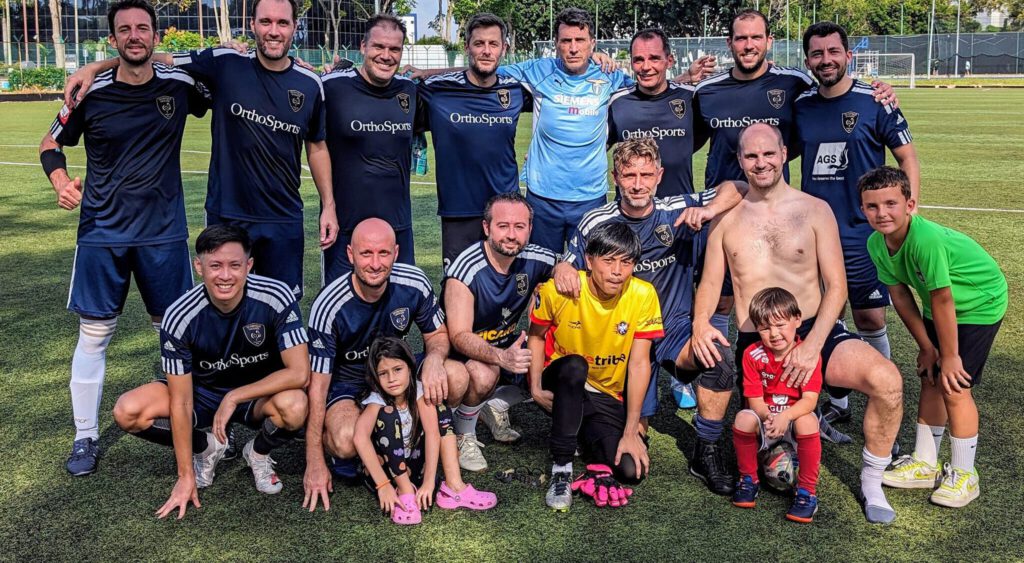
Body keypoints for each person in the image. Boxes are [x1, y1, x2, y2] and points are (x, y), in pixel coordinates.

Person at [691, 123, 903, 524]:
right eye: (751, 156)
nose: (761, 163)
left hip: (813, 331)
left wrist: (811, 346)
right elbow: (710, 282)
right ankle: (740, 444)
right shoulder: (727, 218)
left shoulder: (814, 209)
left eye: (769, 154)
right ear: (740, 161)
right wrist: (701, 321)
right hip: (758, 339)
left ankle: (872, 481)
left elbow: (837, 287)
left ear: (784, 153)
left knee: (888, 381)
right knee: (775, 458)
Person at [64, 0, 338, 300]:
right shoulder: (224, 62)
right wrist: (96, 66)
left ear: (294, 28)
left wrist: (329, 206)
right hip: (226, 213)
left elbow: (317, 145)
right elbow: (150, 56)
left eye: (282, 23)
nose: (273, 31)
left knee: (283, 307)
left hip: (283, 217)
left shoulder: (310, 84)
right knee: (224, 305)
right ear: (252, 26)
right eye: (265, 22)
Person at [39, 0, 210, 476]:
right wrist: (61, 183)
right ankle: (85, 438)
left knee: (172, 333)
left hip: (163, 234)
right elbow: (49, 144)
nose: (135, 36)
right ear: (112, 39)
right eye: (124, 30)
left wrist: (98, 62)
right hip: (102, 233)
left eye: (143, 29)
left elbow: (217, 77)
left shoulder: (180, 86)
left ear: (156, 35)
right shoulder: (90, 92)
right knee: (94, 334)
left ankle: (195, 424)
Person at [553, 138, 744, 496]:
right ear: (615, 177)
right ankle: (609, 430)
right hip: (621, 340)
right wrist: (561, 266)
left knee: (718, 361)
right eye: (628, 175)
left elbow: (740, 186)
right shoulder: (598, 220)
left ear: (659, 176)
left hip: (671, 329)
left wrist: (708, 210)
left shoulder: (677, 209)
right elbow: (568, 262)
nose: (637, 183)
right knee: (628, 462)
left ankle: (707, 449)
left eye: (645, 174)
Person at [112, 225, 310, 519]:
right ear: (199, 267)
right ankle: (206, 448)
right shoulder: (179, 315)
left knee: (295, 405)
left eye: (235, 265)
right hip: (201, 396)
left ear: (249, 266)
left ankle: (257, 452)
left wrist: (234, 396)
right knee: (128, 411)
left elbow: (299, 373)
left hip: (257, 396)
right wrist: (185, 475)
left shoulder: (276, 296)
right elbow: (180, 401)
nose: (226, 275)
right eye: (215, 265)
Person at [795, 22, 921, 433]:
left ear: (848, 56)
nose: (825, 60)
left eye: (833, 51)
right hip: (815, 236)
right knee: (822, 320)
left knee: (869, 320)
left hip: (864, 236)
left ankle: (879, 399)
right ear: (808, 60)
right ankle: (839, 404)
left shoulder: (874, 100)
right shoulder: (801, 104)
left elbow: (907, 157)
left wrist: (909, 211)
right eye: (817, 53)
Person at [860, 166, 1007, 508]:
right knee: (930, 376)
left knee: (954, 384)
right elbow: (900, 295)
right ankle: (925, 464)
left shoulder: (924, 240)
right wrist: (927, 348)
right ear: (863, 209)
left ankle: (965, 475)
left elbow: (944, 298)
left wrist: (950, 356)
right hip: (937, 301)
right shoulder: (875, 243)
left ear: (910, 204)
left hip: (978, 302)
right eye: (872, 206)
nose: (882, 213)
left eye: (891, 204)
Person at [303, 218, 464, 512]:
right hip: (351, 385)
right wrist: (313, 459)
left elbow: (438, 335)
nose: (375, 264)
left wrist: (435, 360)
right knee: (344, 440)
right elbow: (318, 384)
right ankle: (380, 451)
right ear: (350, 254)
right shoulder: (329, 305)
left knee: (455, 375)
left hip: (398, 372)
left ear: (396, 252)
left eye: (383, 253)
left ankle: (441, 445)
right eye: (366, 254)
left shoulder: (413, 282)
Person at [529, 222, 663, 511]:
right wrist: (536, 389)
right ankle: (562, 467)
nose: (617, 271)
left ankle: (589, 453)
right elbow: (535, 337)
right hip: (562, 377)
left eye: (626, 262)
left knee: (629, 470)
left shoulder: (644, 294)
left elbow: (640, 364)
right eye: (609, 260)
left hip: (604, 393)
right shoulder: (560, 289)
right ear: (589, 260)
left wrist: (631, 430)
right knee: (576, 367)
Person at [444, 192, 556, 472]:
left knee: (558, 363)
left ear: (530, 228)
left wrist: (564, 270)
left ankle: (494, 405)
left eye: (519, 227)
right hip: (462, 357)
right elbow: (458, 335)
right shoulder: (465, 270)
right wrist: (501, 357)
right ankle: (464, 434)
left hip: (509, 348)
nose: (511, 235)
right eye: (503, 226)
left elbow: (566, 266)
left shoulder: (535, 257)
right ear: (487, 228)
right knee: (485, 373)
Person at [417, 13, 532, 269]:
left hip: (506, 210)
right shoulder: (437, 89)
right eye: (479, 43)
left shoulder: (516, 90)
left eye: (493, 44)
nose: (487, 51)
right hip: (458, 210)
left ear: (504, 48)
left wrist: (598, 61)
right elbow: (389, 88)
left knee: (503, 291)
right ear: (467, 46)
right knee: (457, 288)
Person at [353, 337, 498, 525]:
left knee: (441, 409)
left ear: (410, 368)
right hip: (387, 472)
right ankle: (405, 492)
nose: (391, 379)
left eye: (397, 369)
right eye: (383, 373)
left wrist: (429, 481)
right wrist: (383, 485)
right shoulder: (377, 400)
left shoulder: (418, 391)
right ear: (375, 376)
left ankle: (454, 487)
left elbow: (432, 433)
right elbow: (359, 437)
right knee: (389, 415)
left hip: (414, 466)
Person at [321, 15, 418, 282]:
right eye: (378, 47)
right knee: (341, 311)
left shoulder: (410, 92)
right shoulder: (331, 87)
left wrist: (431, 73)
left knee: (397, 311)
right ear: (363, 47)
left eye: (394, 49)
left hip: (397, 225)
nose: (386, 55)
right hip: (344, 226)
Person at [732, 287, 823, 524]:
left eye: (780, 325)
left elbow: (810, 401)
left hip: (793, 421)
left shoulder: (808, 355)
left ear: (797, 320)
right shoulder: (752, 354)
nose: (774, 333)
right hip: (767, 421)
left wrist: (785, 417)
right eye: (764, 328)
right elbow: (754, 400)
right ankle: (748, 479)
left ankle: (806, 492)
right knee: (743, 418)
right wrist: (770, 417)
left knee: (808, 420)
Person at [608, 27, 709, 198]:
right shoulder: (617, 102)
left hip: (680, 209)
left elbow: (701, 136)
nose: (646, 67)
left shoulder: (690, 97)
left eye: (654, 58)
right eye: (638, 60)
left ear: (669, 61)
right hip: (632, 212)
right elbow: (597, 149)